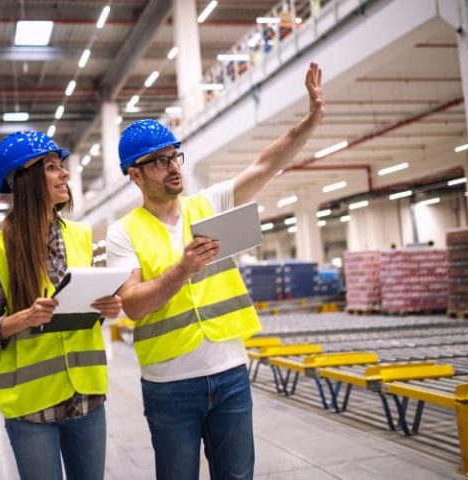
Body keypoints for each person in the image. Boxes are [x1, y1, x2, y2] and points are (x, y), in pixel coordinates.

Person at [106, 62, 324, 479]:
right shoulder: (123, 233)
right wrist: (183, 268)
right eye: (158, 161)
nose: (173, 167)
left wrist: (310, 119)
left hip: (229, 374)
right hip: (170, 385)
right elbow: (132, 305)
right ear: (134, 175)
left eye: (175, 156)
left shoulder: (208, 205)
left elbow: (264, 165)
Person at [0, 130, 122, 480]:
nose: (65, 174)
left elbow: (83, 312)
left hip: (85, 397)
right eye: (52, 167)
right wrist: (23, 318)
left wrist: (105, 307)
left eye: (62, 166)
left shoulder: (82, 235)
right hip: (31, 406)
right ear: (25, 180)